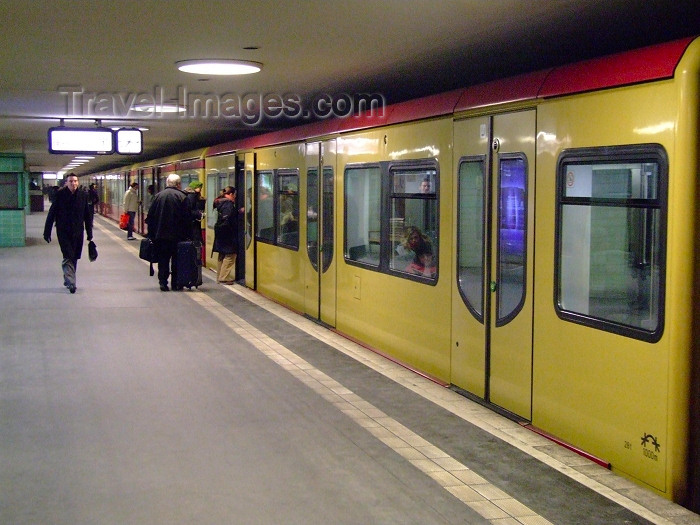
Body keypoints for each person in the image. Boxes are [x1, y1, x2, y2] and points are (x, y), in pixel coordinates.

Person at [43, 173, 93, 294]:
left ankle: (68, 276)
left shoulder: (83, 195)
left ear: (78, 182)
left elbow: (87, 215)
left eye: (75, 181)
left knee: (75, 256)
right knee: (68, 254)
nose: (73, 183)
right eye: (71, 181)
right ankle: (72, 282)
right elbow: (52, 213)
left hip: (78, 231)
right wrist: (47, 231)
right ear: (66, 182)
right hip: (63, 231)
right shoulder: (60, 195)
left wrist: (89, 233)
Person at [145, 174, 190, 291]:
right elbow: (187, 218)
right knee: (177, 260)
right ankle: (176, 284)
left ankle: (163, 283)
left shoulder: (158, 197)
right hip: (178, 236)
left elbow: (150, 217)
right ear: (179, 184)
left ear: (167, 183)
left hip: (160, 236)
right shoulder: (183, 197)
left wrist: (151, 234)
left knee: (163, 260)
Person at [212, 186, 242, 284]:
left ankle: (219, 277)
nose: (235, 198)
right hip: (228, 234)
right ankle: (224, 277)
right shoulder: (228, 204)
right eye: (234, 195)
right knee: (231, 255)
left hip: (221, 234)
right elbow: (228, 218)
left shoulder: (221, 202)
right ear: (231, 194)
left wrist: (237, 212)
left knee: (222, 255)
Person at [183, 180, 205, 247]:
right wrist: (200, 214)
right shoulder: (192, 196)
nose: (201, 190)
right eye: (200, 188)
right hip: (193, 227)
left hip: (191, 227)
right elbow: (190, 211)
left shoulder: (187, 195)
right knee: (196, 246)